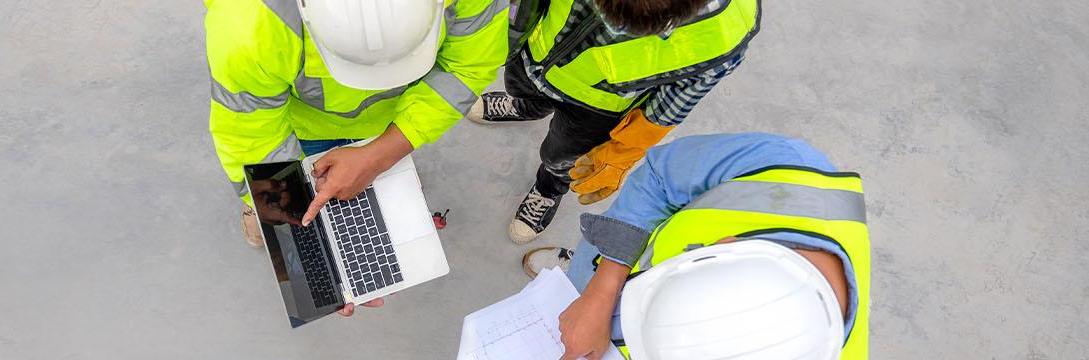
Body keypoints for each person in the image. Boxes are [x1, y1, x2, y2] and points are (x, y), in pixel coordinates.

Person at [207, 0, 511, 317]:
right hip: (303, 129)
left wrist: (382, 154)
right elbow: (253, 138)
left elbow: (468, 66)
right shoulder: (249, 19)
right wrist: (301, 244)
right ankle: (266, 210)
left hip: (390, 126)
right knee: (281, 204)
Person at [522, 133, 870, 359]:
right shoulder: (785, 169)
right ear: (727, 244)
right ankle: (573, 280)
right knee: (585, 277)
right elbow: (660, 179)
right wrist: (600, 291)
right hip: (612, 267)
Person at [471, 0, 763, 244]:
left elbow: (675, 102)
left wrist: (624, 150)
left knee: (561, 158)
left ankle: (548, 188)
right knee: (520, 86)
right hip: (534, 54)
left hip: (597, 108)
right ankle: (529, 106)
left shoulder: (723, 32)